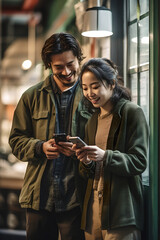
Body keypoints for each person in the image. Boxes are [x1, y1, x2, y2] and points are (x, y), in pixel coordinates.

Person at [8, 32, 92, 240]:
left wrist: (83, 150)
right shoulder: (30, 97)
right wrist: (40, 147)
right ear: (49, 65)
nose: (66, 71)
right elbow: (16, 141)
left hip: (77, 197)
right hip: (39, 197)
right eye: (58, 67)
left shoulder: (91, 95)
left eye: (70, 64)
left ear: (78, 58)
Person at [73, 58, 149, 240]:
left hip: (121, 211)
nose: (90, 93)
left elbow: (139, 162)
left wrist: (105, 156)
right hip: (93, 210)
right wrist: (87, 161)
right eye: (85, 88)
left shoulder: (132, 112)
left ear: (112, 84)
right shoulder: (92, 121)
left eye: (95, 86)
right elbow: (90, 172)